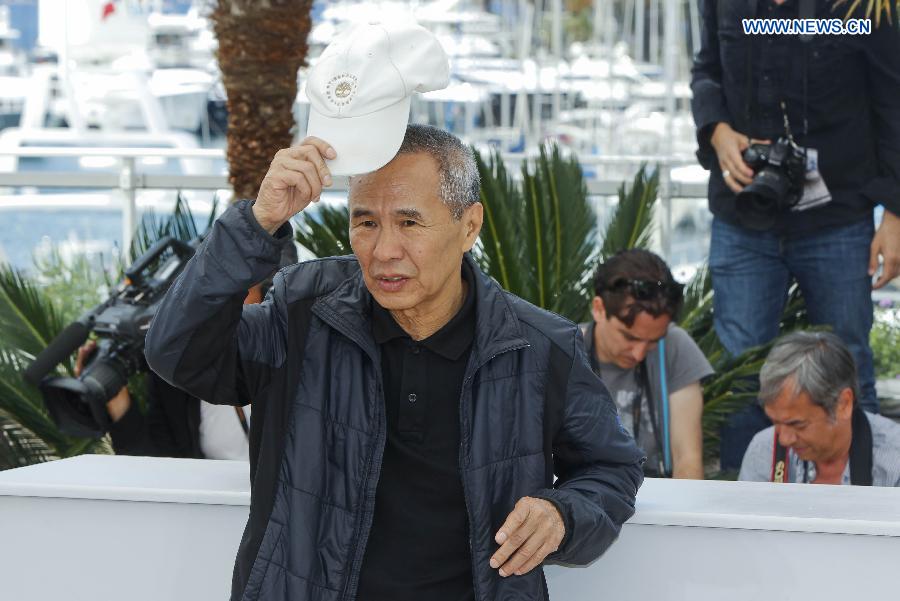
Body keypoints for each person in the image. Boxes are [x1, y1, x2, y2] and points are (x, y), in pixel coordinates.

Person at [144, 124, 645, 601]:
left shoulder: (539, 345)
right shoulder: (300, 314)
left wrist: (564, 513)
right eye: (366, 222)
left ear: (469, 226)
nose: (384, 250)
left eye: (410, 222)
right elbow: (177, 351)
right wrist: (259, 222)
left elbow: (612, 467)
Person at [690, 0, 900, 470]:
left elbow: (893, 96)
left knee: (848, 361)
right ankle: (741, 507)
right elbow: (706, 70)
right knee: (742, 372)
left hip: (839, 212)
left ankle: (867, 499)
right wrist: (717, 130)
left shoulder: (862, 5)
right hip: (744, 211)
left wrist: (895, 214)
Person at [583, 250, 712, 479]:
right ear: (599, 309)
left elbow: (687, 459)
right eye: (629, 338)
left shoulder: (676, 346)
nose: (640, 353)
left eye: (653, 341)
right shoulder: (567, 351)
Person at [739, 331, 900, 486]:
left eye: (797, 425)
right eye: (775, 422)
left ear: (843, 404)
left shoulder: (894, 461)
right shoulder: (765, 450)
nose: (784, 440)